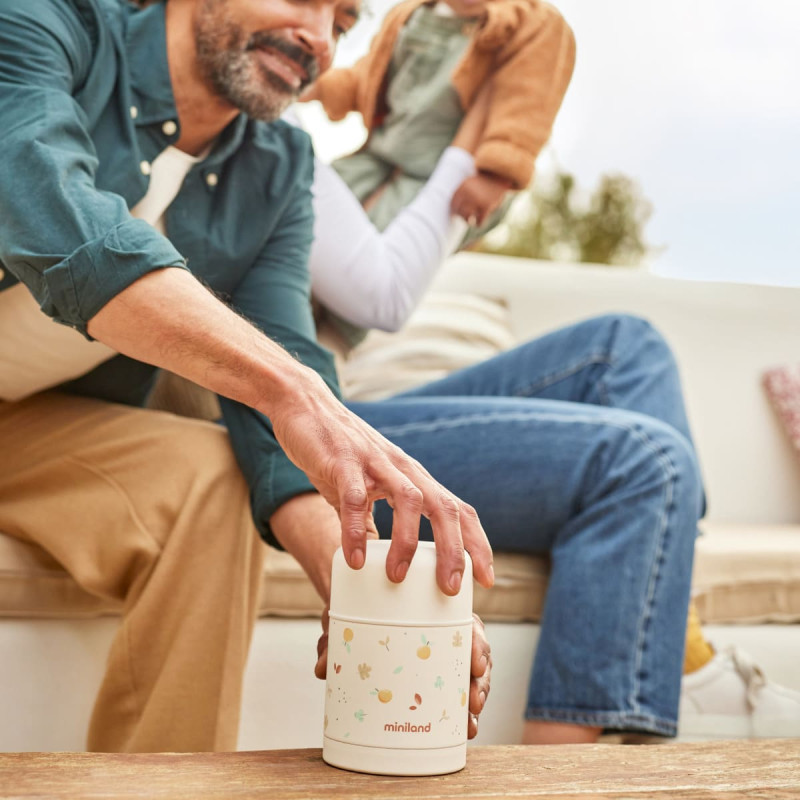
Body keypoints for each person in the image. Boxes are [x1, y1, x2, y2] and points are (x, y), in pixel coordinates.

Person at [0, 0, 496, 753]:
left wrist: (363, 584)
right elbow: (50, 210)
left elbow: (281, 383)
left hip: (30, 434)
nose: (318, 39)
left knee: (212, 478)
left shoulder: (279, 166)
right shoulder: (42, 22)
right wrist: (292, 390)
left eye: (344, 22)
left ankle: (166, 788)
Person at [300, 124, 800, 743]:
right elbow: (381, 296)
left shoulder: (292, 151)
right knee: (648, 462)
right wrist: (468, 142)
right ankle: (561, 771)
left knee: (627, 344)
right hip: (305, 425)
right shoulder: (266, 147)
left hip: (339, 401)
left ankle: (676, 645)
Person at [306, 0, 575, 237]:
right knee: (309, 207)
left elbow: (525, 105)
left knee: (377, 246)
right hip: (378, 160)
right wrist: (317, 86)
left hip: (445, 180)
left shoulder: (532, 24)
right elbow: (366, 78)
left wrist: (495, 177)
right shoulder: (409, 15)